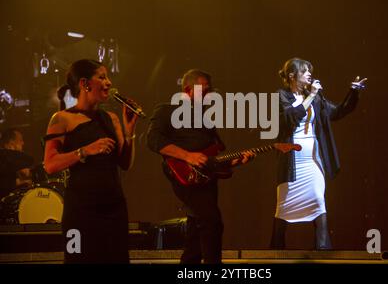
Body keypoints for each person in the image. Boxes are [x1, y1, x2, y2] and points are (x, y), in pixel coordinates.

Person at [147, 69, 254, 264]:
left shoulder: (206, 118)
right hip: (184, 174)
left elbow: (212, 155)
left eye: (210, 90)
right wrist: (188, 156)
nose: (209, 94)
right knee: (211, 221)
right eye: (204, 90)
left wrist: (234, 162)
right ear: (188, 89)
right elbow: (153, 140)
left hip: (206, 176)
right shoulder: (166, 110)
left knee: (196, 228)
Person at [43, 59, 138, 263]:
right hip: (80, 211)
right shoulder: (62, 118)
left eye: (108, 77)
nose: (109, 82)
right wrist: (85, 151)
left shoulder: (111, 118)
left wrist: (129, 132)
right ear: (85, 84)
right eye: (102, 77)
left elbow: (125, 164)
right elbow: (50, 164)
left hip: (114, 208)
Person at [270, 57, 367, 250]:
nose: (309, 74)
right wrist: (311, 97)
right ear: (292, 76)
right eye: (304, 71)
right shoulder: (281, 96)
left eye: (309, 71)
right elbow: (290, 119)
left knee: (318, 201)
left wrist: (353, 91)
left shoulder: (315, 98)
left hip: (313, 161)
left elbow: (338, 112)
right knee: (283, 210)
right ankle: (275, 253)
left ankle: (323, 252)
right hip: (291, 163)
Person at [0, 128, 33, 199]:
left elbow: (16, 180)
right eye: (20, 140)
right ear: (11, 143)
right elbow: (4, 186)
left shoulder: (13, 160)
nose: (23, 143)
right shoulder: (3, 159)